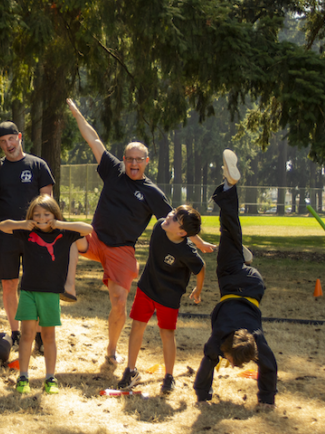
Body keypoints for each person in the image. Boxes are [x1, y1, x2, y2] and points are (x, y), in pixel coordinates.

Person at [66, 98, 215, 365]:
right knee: (67, 237)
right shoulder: (113, 170)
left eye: (139, 160)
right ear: (124, 160)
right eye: (130, 159)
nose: (134, 163)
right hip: (95, 238)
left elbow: (181, 221)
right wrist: (78, 114)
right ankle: (66, 285)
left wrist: (199, 242)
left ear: (147, 162)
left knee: (119, 301)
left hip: (121, 250)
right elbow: (94, 139)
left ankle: (111, 350)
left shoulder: (151, 193)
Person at [194, 150, 277, 407]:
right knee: (228, 231)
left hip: (252, 283)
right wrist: (202, 396)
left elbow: (270, 366)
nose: (228, 363)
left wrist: (266, 400)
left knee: (232, 233)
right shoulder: (219, 337)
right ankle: (230, 192)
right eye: (229, 359)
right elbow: (207, 369)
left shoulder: (255, 338)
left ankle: (230, 187)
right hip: (231, 279)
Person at [0, 195, 93, 394]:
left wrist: (59, 223)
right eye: (37, 214)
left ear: (55, 214)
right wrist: (25, 223)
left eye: (46, 214)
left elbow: (88, 229)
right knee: (26, 336)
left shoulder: (64, 233)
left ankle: (50, 378)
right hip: (28, 292)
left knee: (49, 336)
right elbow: (2, 226)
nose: (42, 218)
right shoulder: (27, 232)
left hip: (50, 294)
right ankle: (23, 376)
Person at [117, 205, 206, 394]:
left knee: (167, 334)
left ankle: (169, 376)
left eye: (175, 218)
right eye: (172, 213)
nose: (169, 216)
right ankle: (131, 371)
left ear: (182, 232)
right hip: (147, 288)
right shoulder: (159, 227)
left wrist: (198, 290)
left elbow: (200, 267)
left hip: (169, 296)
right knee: (137, 327)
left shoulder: (187, 252)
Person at [0, 121, 54, 346]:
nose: (8, 144)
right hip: (5, 236)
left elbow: (48, 202)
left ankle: (40, 334)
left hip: (35, 235)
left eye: (11, 139)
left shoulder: (38, 165)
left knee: (36, 285)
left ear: (19, 137)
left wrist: (47, 231)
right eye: (3, 142)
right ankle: (15, 334)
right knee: (9, 284)